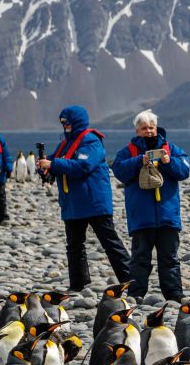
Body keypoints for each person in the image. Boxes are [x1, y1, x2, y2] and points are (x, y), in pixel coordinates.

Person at [39, 105, 132, 292]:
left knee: (110, 243)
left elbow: (83, 165)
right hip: (73, 203)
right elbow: (55, 160)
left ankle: (132, 281)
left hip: (93, 202)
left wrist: (54, 164)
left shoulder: (91, 141)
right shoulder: (65, 143)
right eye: (63, 123)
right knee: (74, 245)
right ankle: (78, 285)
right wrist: (45, 166)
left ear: (76, 121)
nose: (65, 126)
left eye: (67, 122)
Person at [111, 110, 190, 301]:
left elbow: (185, 170)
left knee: (169, 258)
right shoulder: (128, 152)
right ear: (137, 130)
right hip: (142, 216)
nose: (149, 131)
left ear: (157, 128)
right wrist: (139, 161)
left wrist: (169, 162)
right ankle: (136, 294)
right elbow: (119, 170)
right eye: (144, 128)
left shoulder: (171, 149)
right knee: (139, 258)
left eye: (151, 127)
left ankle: (174, 294)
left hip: (167, 215)